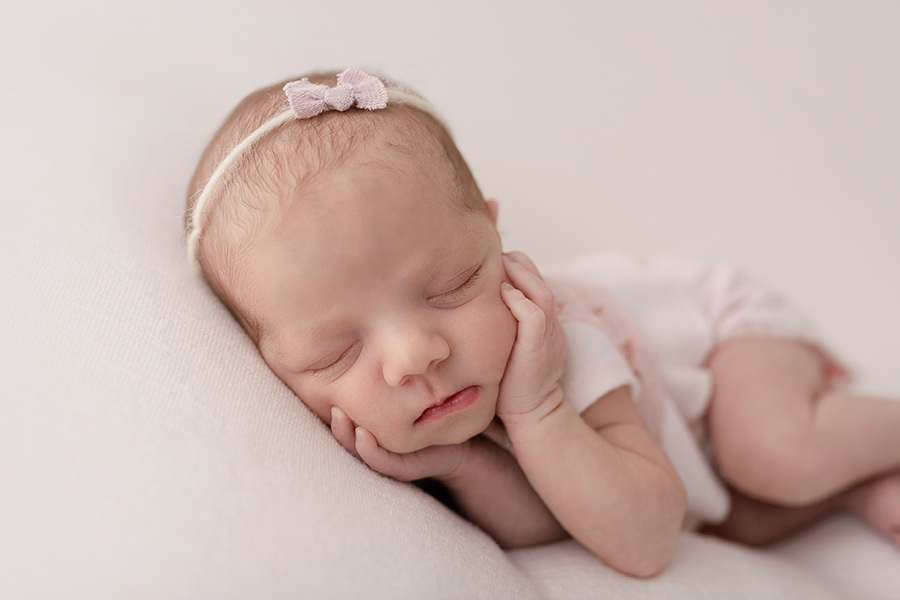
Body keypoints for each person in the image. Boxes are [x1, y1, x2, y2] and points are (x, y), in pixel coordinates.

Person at [184, 68, 900, 577]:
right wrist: (463, 465)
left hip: (724, 341)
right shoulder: (425, 405)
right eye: (335, 352)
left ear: (495, 239)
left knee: (771, 453)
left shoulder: (549, 336)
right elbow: (552, 517)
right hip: (684, 454)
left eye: (452, 286)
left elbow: (648, 539)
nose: (414, 355)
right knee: (734, 519)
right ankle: (852, 484)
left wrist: (538, 408)